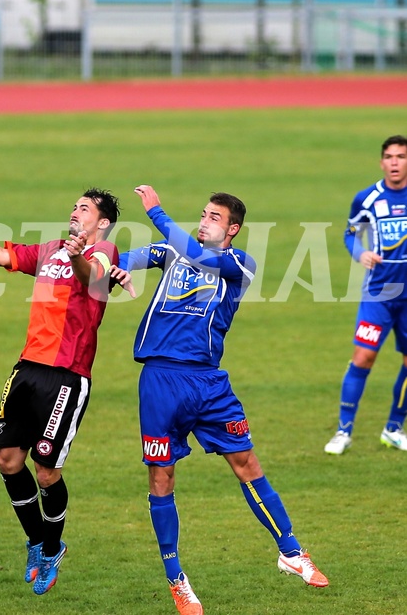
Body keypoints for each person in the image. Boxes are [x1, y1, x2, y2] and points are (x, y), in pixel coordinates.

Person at [110, 185, 328, 615]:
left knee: (248, 464)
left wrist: (157, 212)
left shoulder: (238, 264)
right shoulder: (172, 251)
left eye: (214, 217)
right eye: (203, 213)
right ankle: (178, 582)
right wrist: (106, 261)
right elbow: (127, 258)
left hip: (209, 386)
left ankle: (291, 552)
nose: (205, 219)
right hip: (160, 382)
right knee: (161, 479)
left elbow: (199, 256)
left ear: (233, 229)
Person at [0, 188, 120, 596]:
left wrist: (77, 255)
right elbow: (4, 256)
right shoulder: (49, 249)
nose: (75, 212)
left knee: (46, 471)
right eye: (74, 206)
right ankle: (37, 542)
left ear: (103, 222)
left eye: (85, 209)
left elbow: (92, 276)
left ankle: (52, 549)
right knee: (7, 460)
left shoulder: (105, 250)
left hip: (67, 376)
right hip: (27, 368)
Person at [324, 134, 407, 455]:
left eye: (401, 156)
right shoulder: (367, 199)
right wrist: (360, 253)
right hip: (379, 295)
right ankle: (343, 430)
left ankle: (393, 428)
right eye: (390, 156)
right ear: (382, 162)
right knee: (363, 357)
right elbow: (350, 234)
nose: (395, 162)